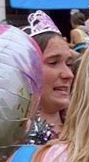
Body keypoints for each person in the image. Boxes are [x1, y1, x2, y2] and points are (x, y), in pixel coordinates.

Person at [24, 11, 74, 143]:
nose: (68, 74)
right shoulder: (4, 143)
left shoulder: (86, 133)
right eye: (53, 62)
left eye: (69, 64)